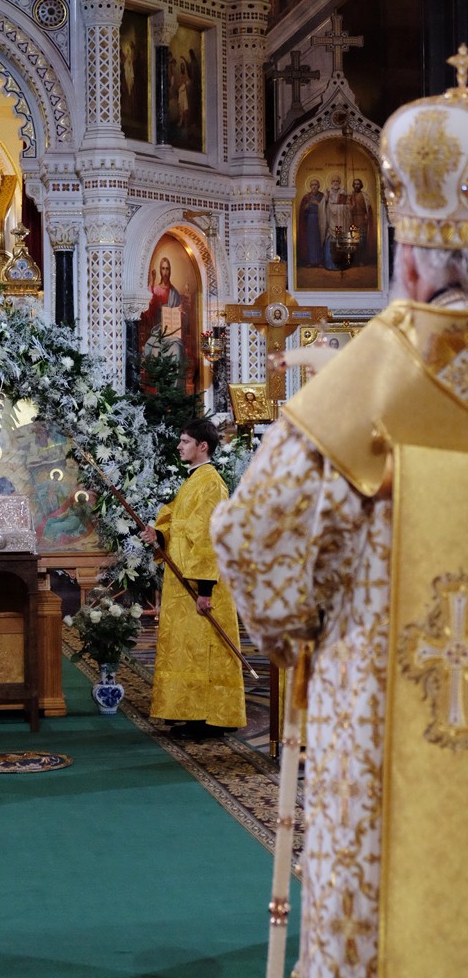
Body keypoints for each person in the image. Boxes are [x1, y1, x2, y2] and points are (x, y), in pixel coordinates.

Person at [209, 72, 468, 977]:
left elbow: (252, 542)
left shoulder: (357, 394)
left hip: (378, 720)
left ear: (406, 260)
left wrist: (294, 629)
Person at [141, 417, 246, 740]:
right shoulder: (194, 480)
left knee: (204, 649)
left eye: (185, 441)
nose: (179, 446)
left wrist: (205, 590)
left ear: (203, 446)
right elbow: (178, 524)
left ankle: (208, 718)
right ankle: (189, 712)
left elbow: (208, 538)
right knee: (187, 647)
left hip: (201, 583)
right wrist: (158, 534)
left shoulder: (211, 484)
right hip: (182, 582)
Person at [321, 173, 351, 269]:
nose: (335, 183)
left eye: (337, 181)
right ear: (331, 182)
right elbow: (322, 205)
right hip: (331, 221)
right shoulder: (328, 192)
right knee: (330, 239)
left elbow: (348, 206)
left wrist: (343, 207)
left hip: (341, 221)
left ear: (340, 182)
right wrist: (326, 200)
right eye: (333, 181)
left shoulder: (343, 192)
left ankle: (341, 264)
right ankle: (330, 264)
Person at [297, 177, 325, 267]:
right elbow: (302, 210)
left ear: (319, 186)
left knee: (319, 240)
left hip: (320, 220)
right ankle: (310, 261)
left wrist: (318, 204)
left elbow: (327, 209)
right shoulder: (306, 197)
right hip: (310, 220)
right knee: (311, 240)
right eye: (312, 185)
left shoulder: (322, 196)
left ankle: (319, 261)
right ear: (310, 186)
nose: (314, 186)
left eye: (315, 185)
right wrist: (306, 208)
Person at [348, 175, 374, 265]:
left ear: (361, 185)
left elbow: (368, 208)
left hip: (362, 220)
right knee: (354, 241)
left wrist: (367, 215)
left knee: (362, 241)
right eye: (355, 184)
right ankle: (355, 260)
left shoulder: (365, 196)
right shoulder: (350, 196)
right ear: (353, 185)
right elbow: (347, 209)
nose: (356, 186)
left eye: (358, 184)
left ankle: (362, 260)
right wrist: (351, 207)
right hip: (353, 220)